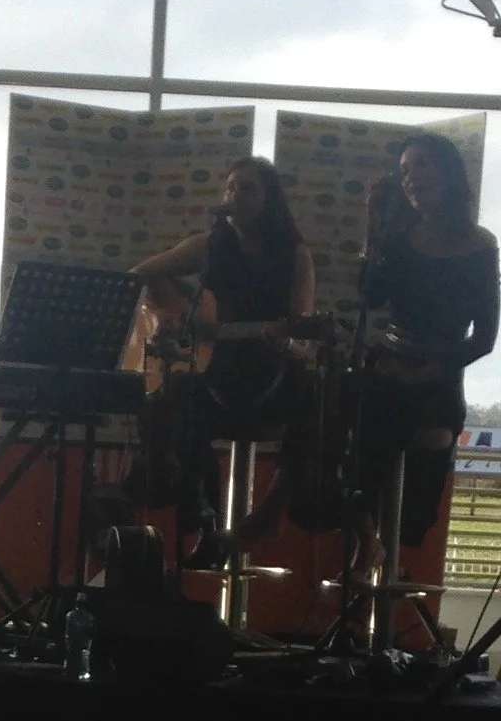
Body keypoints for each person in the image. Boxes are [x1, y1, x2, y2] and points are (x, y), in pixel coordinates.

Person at [128, 155, 316, 564]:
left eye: (247, 188)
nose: (235, 195)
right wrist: (168, 312)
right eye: (230, 187)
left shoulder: (294, 254)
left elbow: (302, 324)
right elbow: (139, 274)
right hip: (219, 370)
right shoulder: (208, 246)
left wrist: (285, 339)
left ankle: (268, 516)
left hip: (272, 372)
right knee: (174, 400)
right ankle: (205, 520)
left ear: (269, 198)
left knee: (316, 401)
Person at [348, 131, 500, 580]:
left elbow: (484, 337)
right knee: (354, 466)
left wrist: (434, 370)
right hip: (388, 368)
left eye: (421, 165)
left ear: (449, 173)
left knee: (421, 484)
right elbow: (369, 297)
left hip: (439, 377)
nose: (411, 178)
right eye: (404, 171)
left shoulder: (481, 245)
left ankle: (389, 560)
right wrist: (373, 225)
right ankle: (367, 546)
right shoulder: (398, 239)